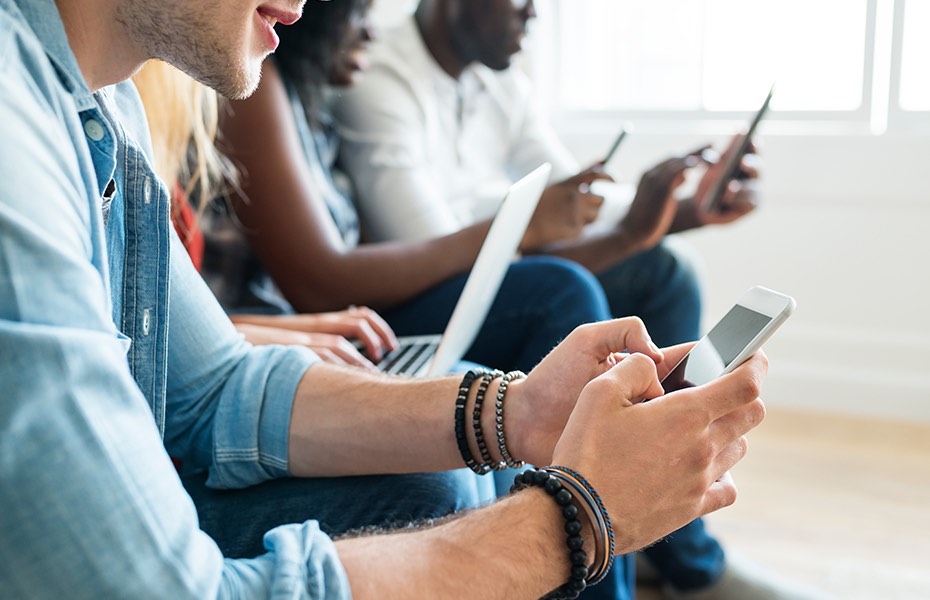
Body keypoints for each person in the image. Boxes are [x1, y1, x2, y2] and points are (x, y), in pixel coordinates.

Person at [0, 0, 769, 597]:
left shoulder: (106, 103)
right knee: (443, 491)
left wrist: (515, 411)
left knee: (438, 477)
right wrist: (577, 518)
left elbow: (210, 391)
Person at [331, 2, 801, 599]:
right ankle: (607, 577)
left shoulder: (497, 77)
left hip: (494, 272)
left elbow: (581, 205)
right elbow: (445, 251)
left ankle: (678, 549)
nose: (533, 14)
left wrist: (681, 210)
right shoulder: (381, 78)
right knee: (563, 290)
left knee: (663, 272)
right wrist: (551, 230)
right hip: (412, 297)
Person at [133, 58, 399, 370]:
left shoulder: (176, 95)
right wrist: (246, 336)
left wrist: (283, 330)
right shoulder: (231, 89)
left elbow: (160, 320)